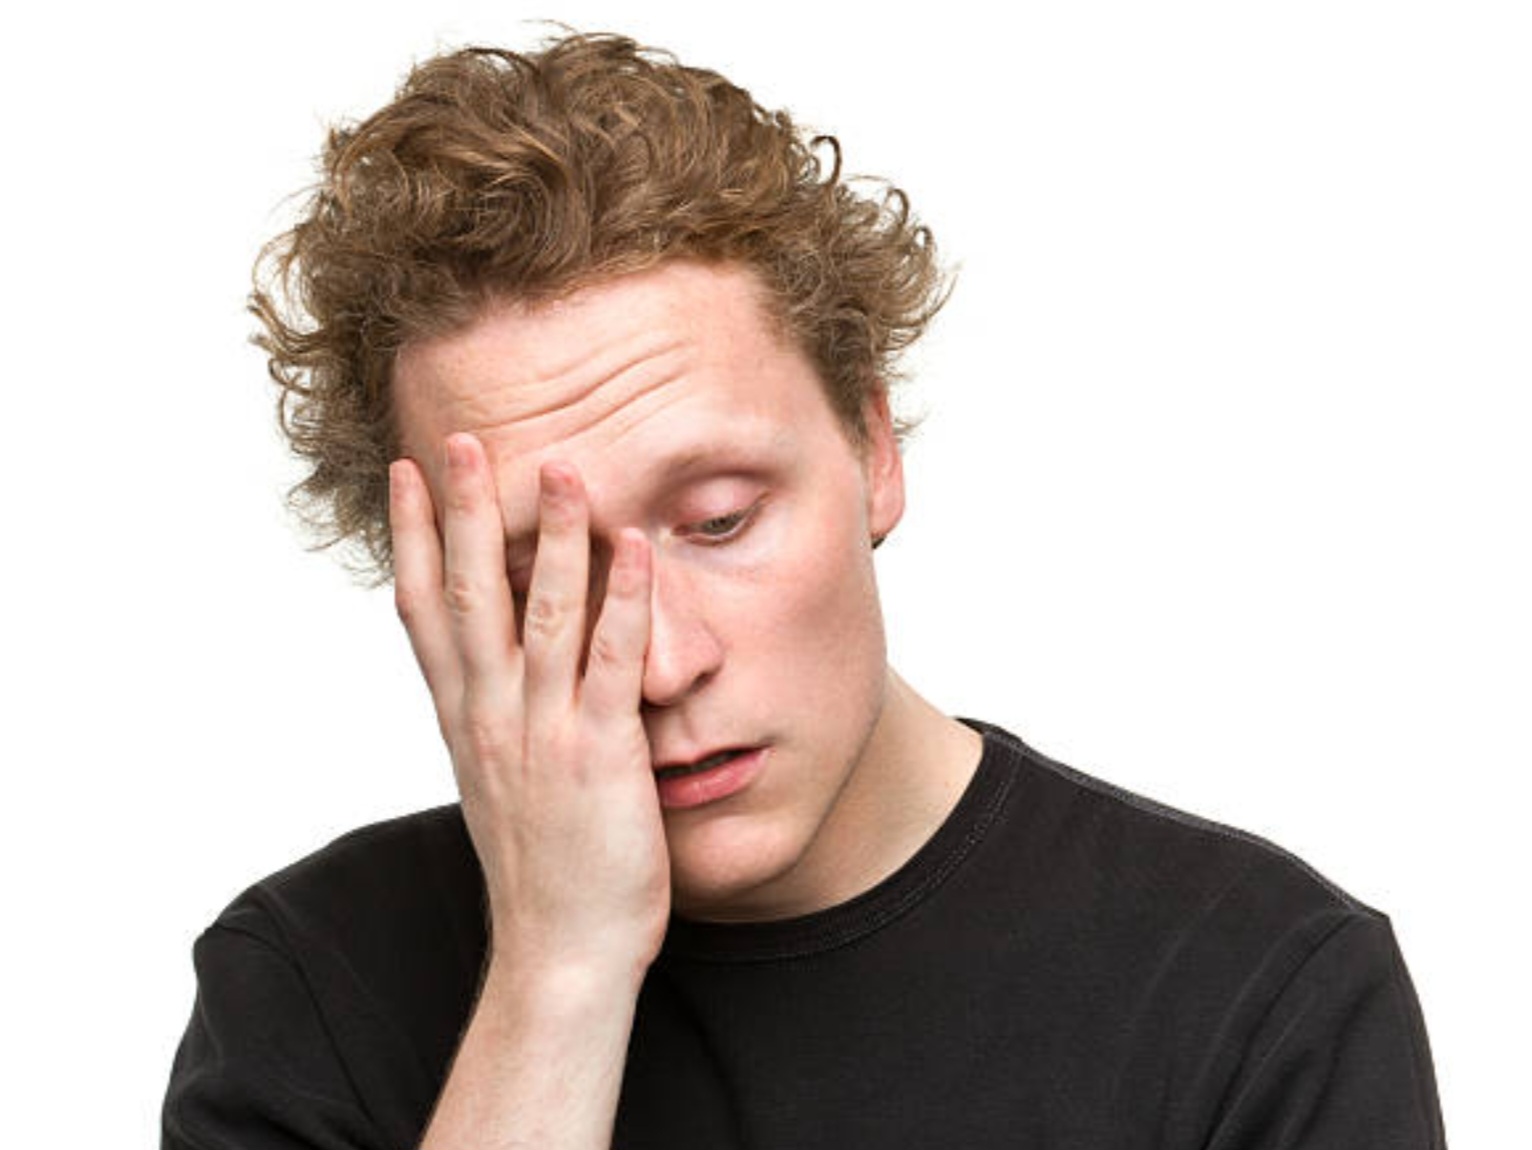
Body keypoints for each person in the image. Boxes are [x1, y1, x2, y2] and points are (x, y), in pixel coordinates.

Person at [162, 31, 1446, 1150]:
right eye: (534, 571)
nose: (660, 663)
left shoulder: (1254, 989)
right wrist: (558, 973)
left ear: (872, 449)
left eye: (719, 519)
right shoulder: (308, 985)